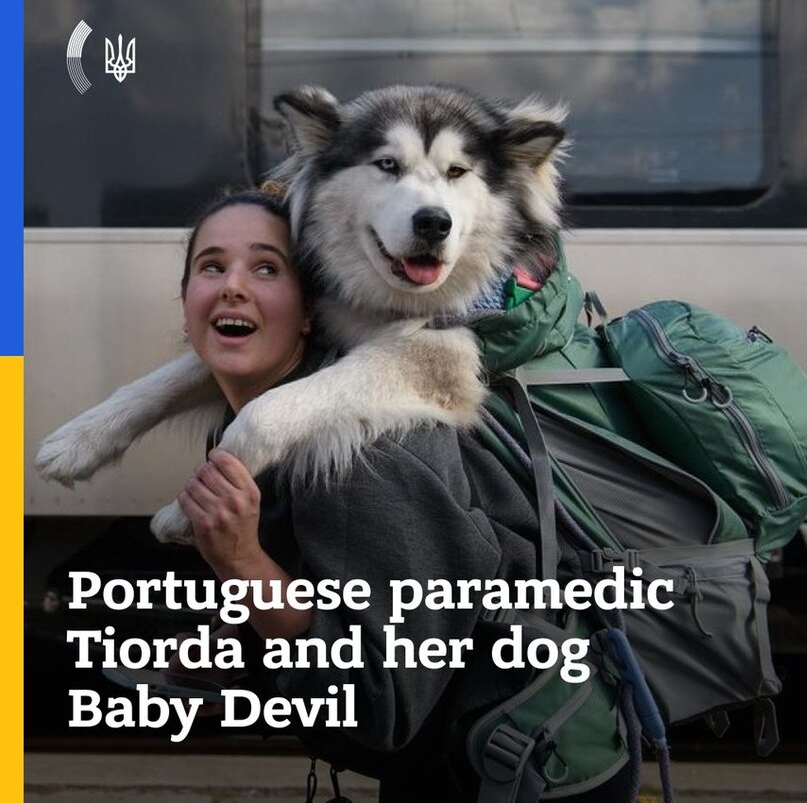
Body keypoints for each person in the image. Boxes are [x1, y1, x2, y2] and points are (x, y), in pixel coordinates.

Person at [168, 186, 632, 802]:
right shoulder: (260, 425)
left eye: (265, 268)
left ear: (311, 309)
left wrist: (244, 565)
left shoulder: (362, 452)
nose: (232, 286)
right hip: (458, 761)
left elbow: (379, 705)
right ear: (185, 302)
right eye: (211, 266)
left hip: (530, 768)